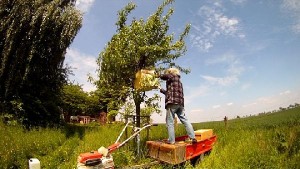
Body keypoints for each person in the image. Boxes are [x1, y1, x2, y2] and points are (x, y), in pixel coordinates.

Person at [157, 68, 197, 144]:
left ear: (171, 72)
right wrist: (161, 89)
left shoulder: (172, 76)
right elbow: (169, 93)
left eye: (168, 72)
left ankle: (171, 140)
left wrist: (157, 75)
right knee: (185, 120)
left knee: (170, 122)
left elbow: (164, 76)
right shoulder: (179, 82)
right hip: (180, 104)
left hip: (172, 103)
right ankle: (193, 137)